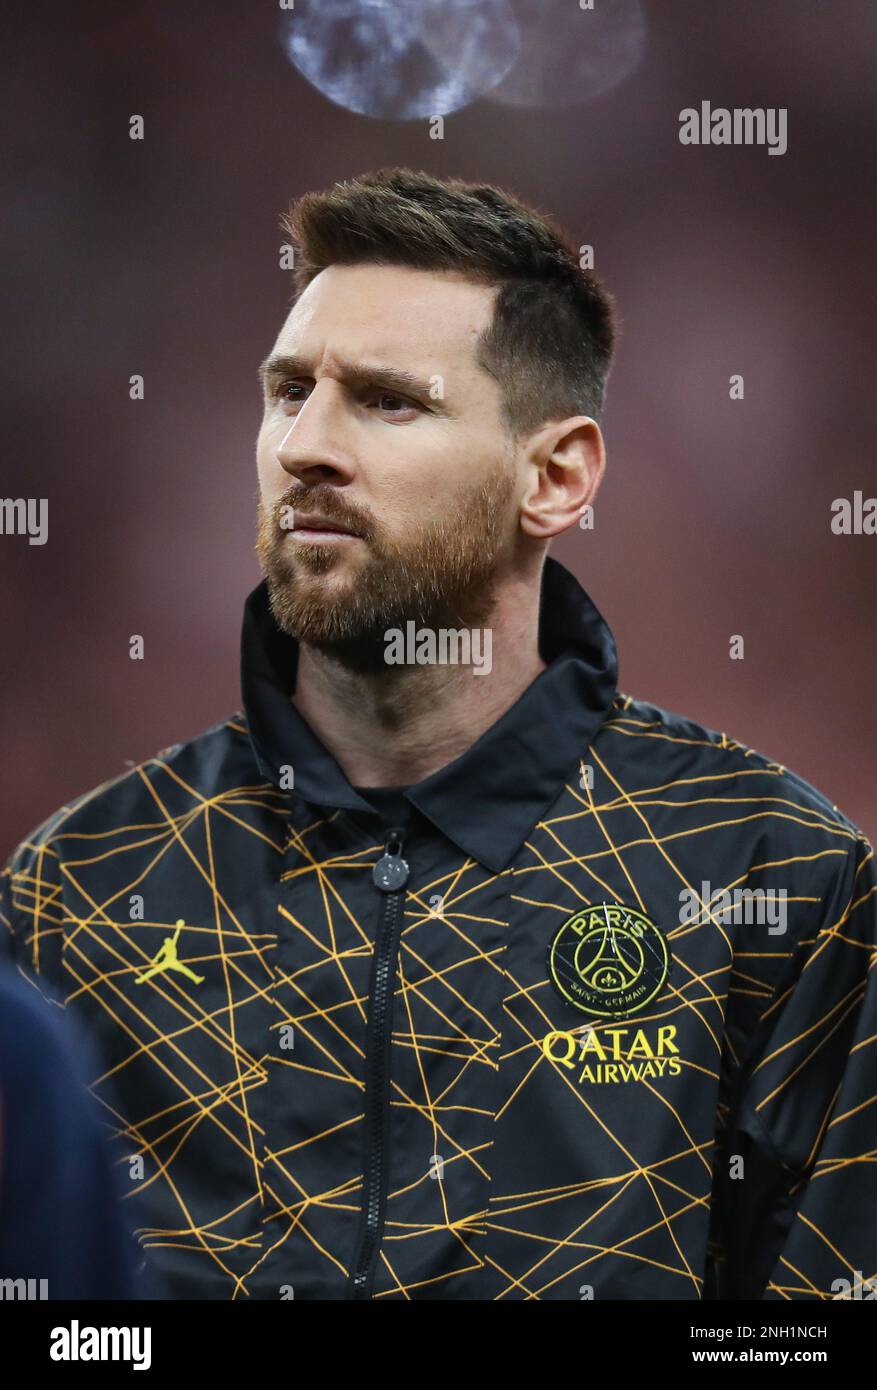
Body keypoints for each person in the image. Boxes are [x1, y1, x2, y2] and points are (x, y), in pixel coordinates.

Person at [2, 168, 875, 1301]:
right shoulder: (78, 883)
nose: (305, 446)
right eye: (287, 391)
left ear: (555, 476)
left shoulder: (776, 877)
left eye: (386, 401)